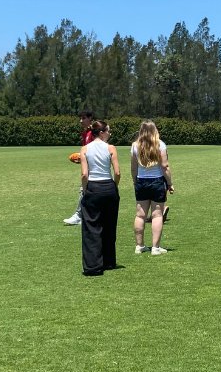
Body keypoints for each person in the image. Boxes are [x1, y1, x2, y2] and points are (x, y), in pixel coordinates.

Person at [79, 119, 120, 276]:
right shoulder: (110, 148)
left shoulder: (85, 149)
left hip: (93, 187)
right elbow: (117, 172)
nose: (109, 134)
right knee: (109, 225)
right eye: (108, 131)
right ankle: (109, 261)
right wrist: (114, 186)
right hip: (108, 187)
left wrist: (85, 189)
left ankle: (93, 266)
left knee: (91, 226)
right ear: (102, 133)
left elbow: (84, 174)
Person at [130, 120, 174, 255]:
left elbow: (133, 168)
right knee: (157, 215)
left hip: (141, 181)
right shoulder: (160, 145)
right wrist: (170, 183)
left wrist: (134, 181)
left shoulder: (135, 146)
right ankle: (155, 247)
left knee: (140, 215)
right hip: (157, 182)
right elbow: (165, 167)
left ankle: (140, 246)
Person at [63, 107, 96, 225]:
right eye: (80, 118)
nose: (81, 121)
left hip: (94, 168)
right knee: (86, 190)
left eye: (83, 118)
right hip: (87, 166)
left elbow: (95, 150)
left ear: (90, 119)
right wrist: (80, 158)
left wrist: (82, 157)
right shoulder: (85, 133)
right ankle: (84, 216)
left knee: (85, 190)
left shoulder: (94, 133)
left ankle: (79, 215)